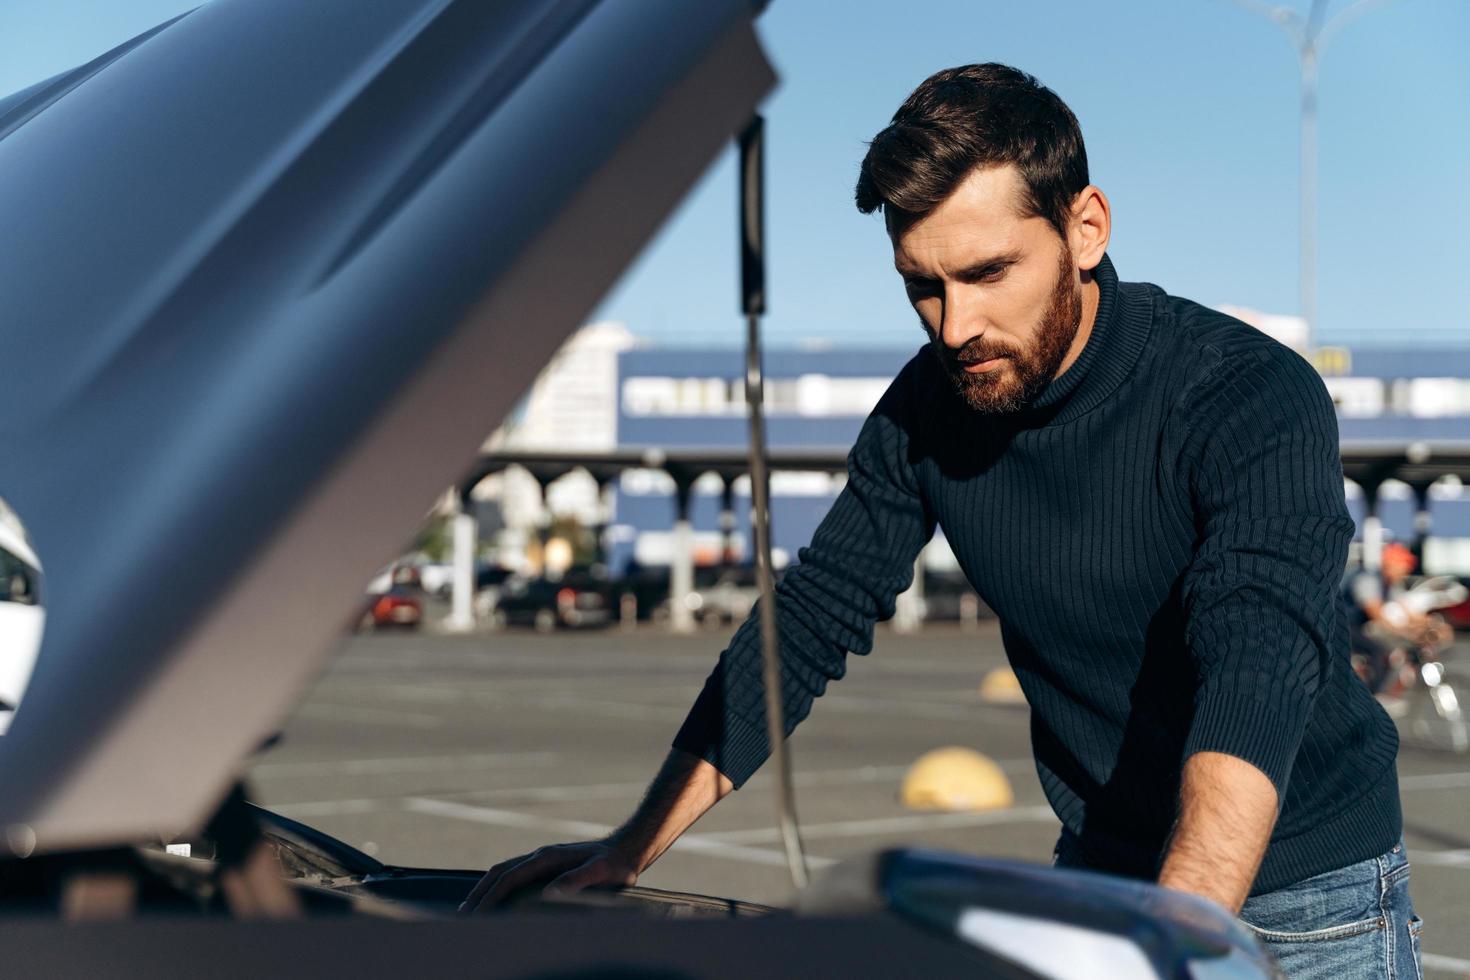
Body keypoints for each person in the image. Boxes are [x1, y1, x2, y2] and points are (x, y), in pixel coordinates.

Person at [464, 64, 1418, 976]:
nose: (954, 325)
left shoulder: (1246, 393)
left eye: (989, 272)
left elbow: (1257, 653)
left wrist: (1178, 930)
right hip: (1105, 865)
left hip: (1310, 894)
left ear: (1085, 229)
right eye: (924, 285)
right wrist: (633, 843)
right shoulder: (928, 408)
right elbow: (808, 621)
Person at [1345, 542, 1429, 693]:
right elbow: (1377, 615)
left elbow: (1409, 609)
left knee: (1390, 650)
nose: (1406, 570)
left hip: (1359, 626)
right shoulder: (1368, 580)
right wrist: (1404, 632)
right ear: (1389, 564)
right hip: (1342, 626)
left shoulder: (1392, 584)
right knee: (1380, 652)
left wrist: (1429, 625)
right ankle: (1370, 699)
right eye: (1402, 565)